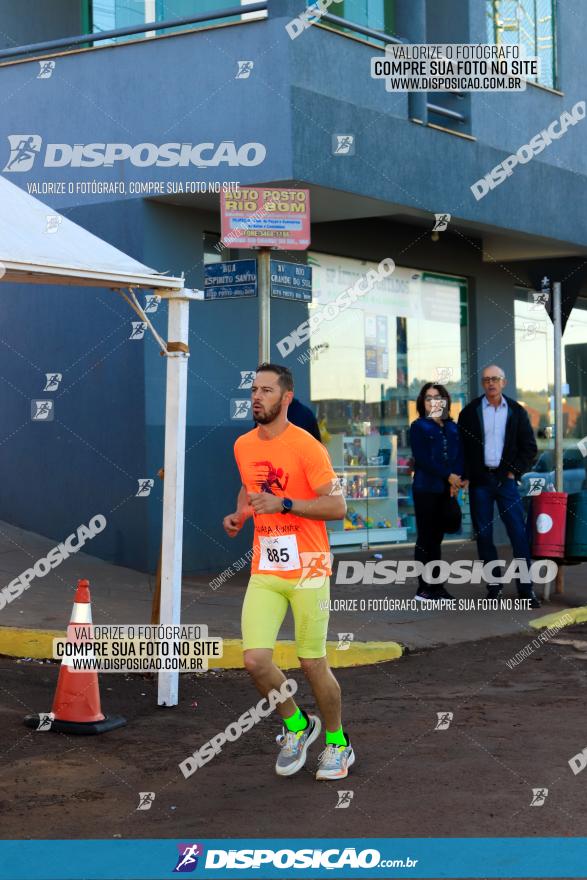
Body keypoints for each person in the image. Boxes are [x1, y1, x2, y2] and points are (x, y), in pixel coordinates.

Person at [223, 363, 355, 780]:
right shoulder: (243, 445)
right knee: (256, 660)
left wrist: (285, 505)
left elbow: (338, 507)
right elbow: (249, 485)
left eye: (266, 390)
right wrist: (241, 513)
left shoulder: (307, 446)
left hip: (309, 566)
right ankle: (298, 726)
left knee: (312, 661)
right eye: (253, 390)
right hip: (266, 563)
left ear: (286, 398)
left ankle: (338, 743)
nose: (256, 397)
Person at [458, 365, 540, 608]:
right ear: (483, 384)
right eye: (486, 380)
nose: (490, 383)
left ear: (503, 382)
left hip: (506, 482)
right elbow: (461, 448)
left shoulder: (516, 411)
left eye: (495, 379)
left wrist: (514, 471)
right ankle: (494, 588)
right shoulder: (470, 412)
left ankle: (526, 590)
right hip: (480, 482)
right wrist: (465, 475)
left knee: (518, 534)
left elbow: (530, 447)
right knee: (484, 536)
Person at [410, 382, 464, 603]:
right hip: (425, 489)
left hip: (446, 491)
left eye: (437, 397)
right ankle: (423, 589)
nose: (433, 401)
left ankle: (438, 587)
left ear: (445, 401)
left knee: (437, 540)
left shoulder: (452, 427)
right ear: (423, 403)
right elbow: (423, 459)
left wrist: (458, 478)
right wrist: (448, 475)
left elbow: (459, 455)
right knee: (426, 537)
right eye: (428, 398)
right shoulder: (418, 427)